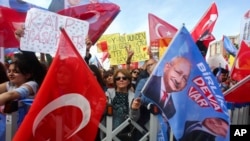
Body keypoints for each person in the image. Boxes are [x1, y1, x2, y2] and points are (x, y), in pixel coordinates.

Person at [0, 51, 47, 141]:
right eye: (9, 71)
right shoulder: (10, 84)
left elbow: (11, 94)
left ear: (27, 75)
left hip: (26, 127)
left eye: (15, 71)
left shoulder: (32, 84)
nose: (10, 74)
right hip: (11, 125)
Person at [104, 69, 141, 140]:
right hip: (108, 132)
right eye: (118, 78)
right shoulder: (107, 94)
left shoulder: (134, 97)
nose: (121, 80)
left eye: (124, 78)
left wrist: (134, 109)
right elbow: (102, 113)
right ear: (115, 81)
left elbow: (134, 119)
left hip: (126, 134)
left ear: (129, 81)